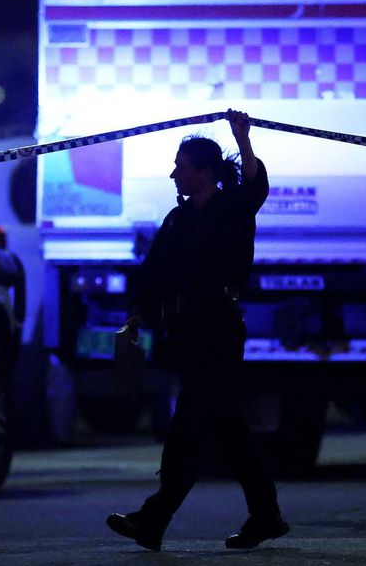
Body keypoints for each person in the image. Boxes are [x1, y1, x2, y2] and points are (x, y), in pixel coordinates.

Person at [106, 109, 289, 551]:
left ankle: (154, 519)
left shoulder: (232, 210)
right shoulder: (177, 219)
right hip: (187, 334)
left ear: (204, 173)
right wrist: (136, 315)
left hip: (218, 332)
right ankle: (266, 516)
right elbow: (152, 274)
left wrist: (242, 139)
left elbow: (255, 186)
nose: (174, 174)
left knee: (188, 429)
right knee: (228, 430)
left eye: (181, 167)